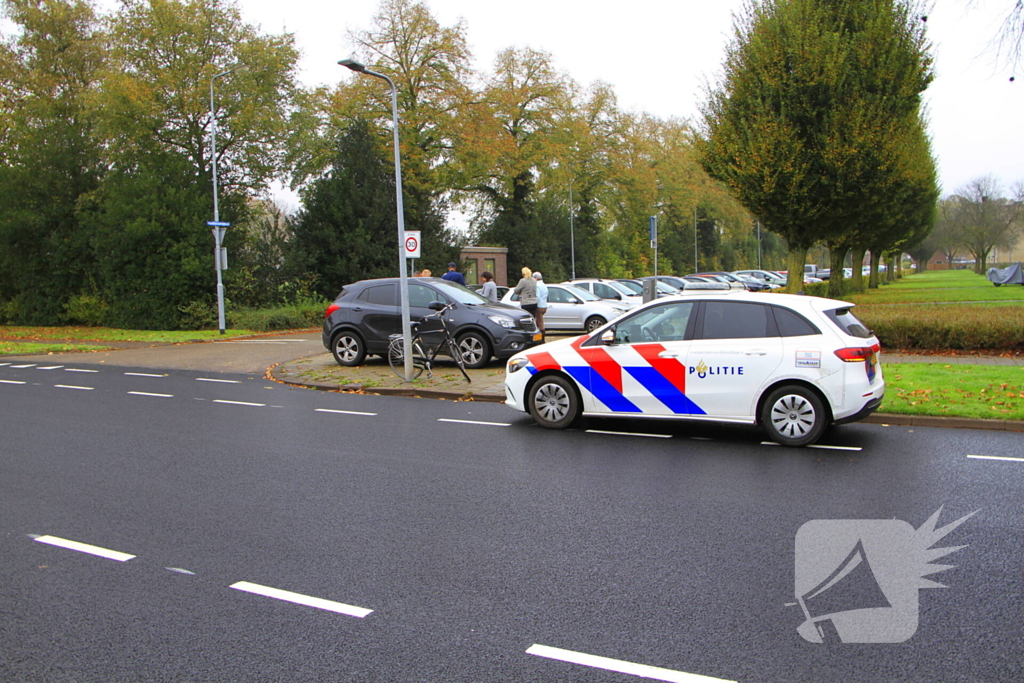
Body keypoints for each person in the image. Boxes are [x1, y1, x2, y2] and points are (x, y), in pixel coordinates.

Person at [532, 271, 548, 339]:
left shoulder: (537, 286)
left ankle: (542, 339)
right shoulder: (544, 285)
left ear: (536, 278)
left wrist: (533, 303)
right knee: (537, 322)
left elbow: (537, 297)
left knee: (540, 323)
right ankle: (538, 338)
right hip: (544, 306)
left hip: (539, 306)